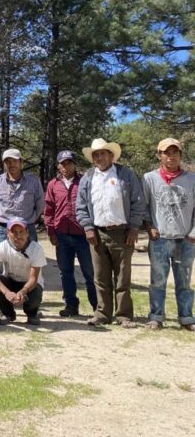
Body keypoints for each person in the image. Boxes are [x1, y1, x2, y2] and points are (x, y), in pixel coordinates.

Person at [75, 138, 145, 328]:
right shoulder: (87, 178)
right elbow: (80, 207)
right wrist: (88, 227)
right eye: (96, 155)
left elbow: (138, 202)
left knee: (123, 277)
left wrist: (133, 227)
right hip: (97, 233)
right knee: (100, 276)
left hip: (123, 233)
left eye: (103, 153)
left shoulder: (126, 175)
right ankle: (102, 313)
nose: (99, 157)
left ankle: (123, 315)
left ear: (111, 156)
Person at [142, 138, 195, 331]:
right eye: (166, 152)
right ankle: (156, 316)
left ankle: (186, 317)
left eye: (175, 152)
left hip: (185, 239)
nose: (170, 156)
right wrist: (149, 227)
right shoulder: (149, 178)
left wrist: (194, 232)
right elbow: (144, 206)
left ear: (180, 155)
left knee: (184, 282)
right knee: (157, 280)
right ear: (159, 155)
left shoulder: (191, 179)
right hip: (159, 238)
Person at [44, 150, 96, 317]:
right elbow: (49, 210)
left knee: (90, 272)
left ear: (74, 164)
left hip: (83, 234)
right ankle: (71, 305)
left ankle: (97, 306)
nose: (65, 166)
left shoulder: (85, 181)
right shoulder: (53, 184)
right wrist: (51, 231)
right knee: (65, 272)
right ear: (58, 166)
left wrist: (91, 229)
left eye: (68, 163)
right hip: (61, 235)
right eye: (62, 163)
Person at [0, 217, 46, 326]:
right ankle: (8, 313)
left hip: (30, 284)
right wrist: (6, 292)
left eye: (21, 232)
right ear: (8, 233)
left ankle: (32, 314)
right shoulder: (2, 246)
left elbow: (33, 278)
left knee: (36, 291)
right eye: (14, 232)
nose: (18, 236)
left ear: (27, 232)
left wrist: (23, 291)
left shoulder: (36, 248)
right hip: (11, 281)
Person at [0, 149, 44, 243]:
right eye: (8, 161)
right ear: (4, 164)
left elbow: (40, 202)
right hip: (4, 229)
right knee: (3, 257)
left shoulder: (33, 181)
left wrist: (33, 218)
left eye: (14, 161)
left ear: (21, 162)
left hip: (27, 227)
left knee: (29, 256)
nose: (11, 164)